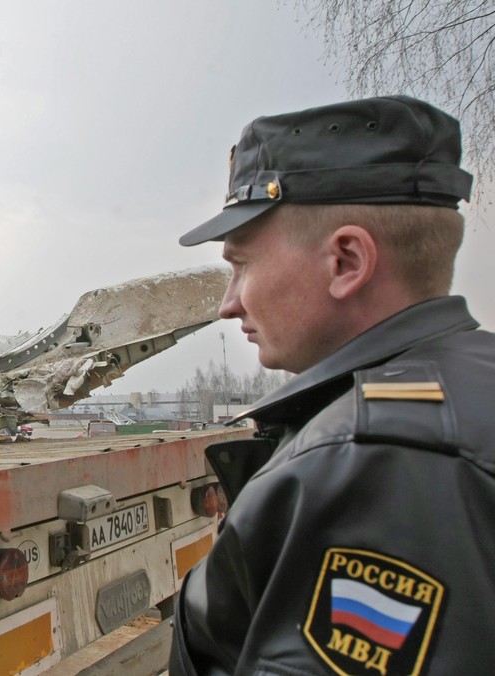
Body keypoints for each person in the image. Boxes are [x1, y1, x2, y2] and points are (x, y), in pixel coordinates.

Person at [171, 96, 495, 675]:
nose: (228, 304)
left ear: (346, 261)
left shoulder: (374, 461)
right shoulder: (471, 385)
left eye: (241, 264)